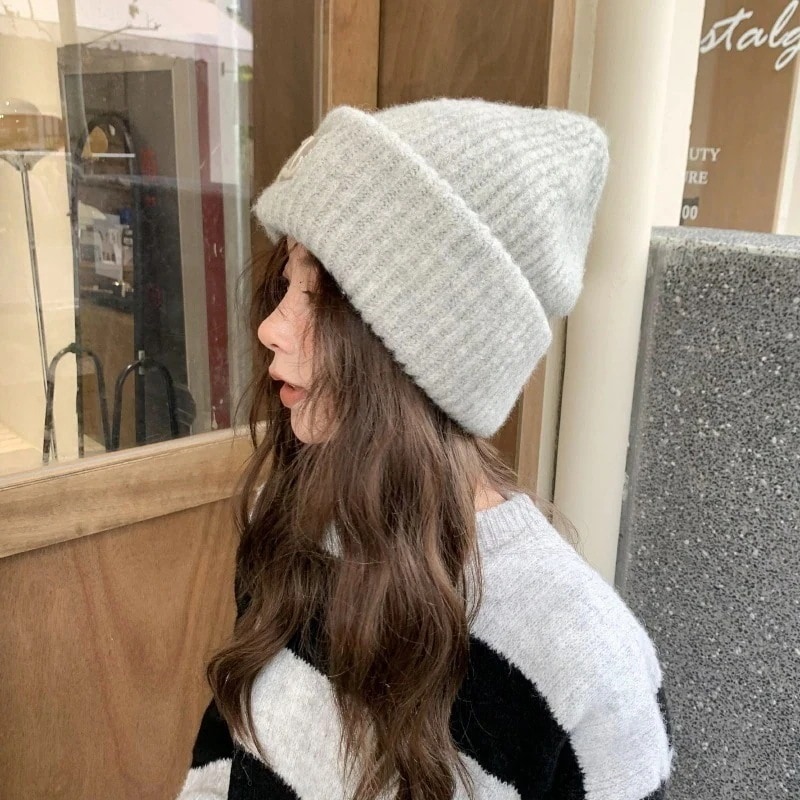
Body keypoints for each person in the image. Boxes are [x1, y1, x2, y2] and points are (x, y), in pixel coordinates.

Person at [177, 99, 673, 800]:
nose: (271, 328)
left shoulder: (589, 670)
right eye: (288, 281)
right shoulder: (293, 523)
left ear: (431, 354)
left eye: (319, 295)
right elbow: (228, 755)